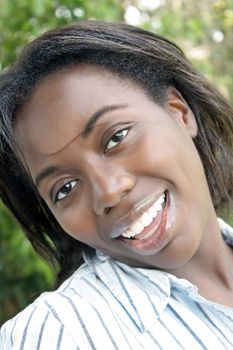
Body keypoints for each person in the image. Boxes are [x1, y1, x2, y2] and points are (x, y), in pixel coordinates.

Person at [0, 20, 233, 350]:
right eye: (64, 188)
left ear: (179, 113)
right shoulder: (60, 334)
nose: (108, 192)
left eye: (116, 138)